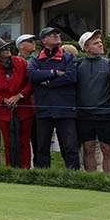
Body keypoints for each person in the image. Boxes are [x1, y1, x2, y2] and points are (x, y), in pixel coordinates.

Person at [28, 27, 80, 169]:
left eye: (57, 34)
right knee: (42, 146)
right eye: (52, 35)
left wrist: (47, 82)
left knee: (70, 146)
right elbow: (32, 75)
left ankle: (73, 176)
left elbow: (71, 77)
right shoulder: (36, 59)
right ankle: (43, 176)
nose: (57, 36)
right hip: (44, 108)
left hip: (65, 108)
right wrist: (55, 72)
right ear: (44, 40)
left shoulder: (69, 57)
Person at [0, 38, 34, 169]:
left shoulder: (21, 62)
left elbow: (30, 83)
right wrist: (2, 100)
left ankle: (26, 169)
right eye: (3, 49)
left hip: (24, 109)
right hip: (4, 112)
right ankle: (10, 169)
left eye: (7, 47)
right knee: (8, 142)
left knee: (24, 142)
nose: (7, 50)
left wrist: (19, 96)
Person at [75, 30, 110, 173]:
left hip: (105, 114)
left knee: (107, 149)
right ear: (86, 48)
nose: (100, 44)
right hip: (84, 115)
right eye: (95, 42)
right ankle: (91, 181)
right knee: (88, 148)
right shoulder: (78, 65)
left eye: (100, 41)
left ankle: (109, 181)